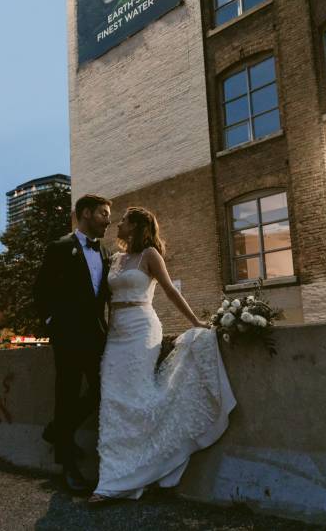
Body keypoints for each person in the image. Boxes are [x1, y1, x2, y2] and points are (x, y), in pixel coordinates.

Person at [89, 207, 237, 502]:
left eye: (123, 221)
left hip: (142, 329)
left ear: (136, 226)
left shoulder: (150, 256)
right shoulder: (115, 259)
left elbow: (170, 290)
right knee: (112, 400)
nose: (117, 224)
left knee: (138, 395)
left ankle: (136, 471)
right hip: (116, 334)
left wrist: (195, 322)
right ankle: (113, 476)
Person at [33, 194, 113, 492]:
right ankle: (69, 468)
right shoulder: (59, 248)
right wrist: (54, 326)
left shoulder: (104, 252)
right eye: (104, 213)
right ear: (87, 213)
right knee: (66, 397)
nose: (108, 220)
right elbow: (40, 292)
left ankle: (57, 430)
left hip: (97, 336)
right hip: (68, 338)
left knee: (102, 390)